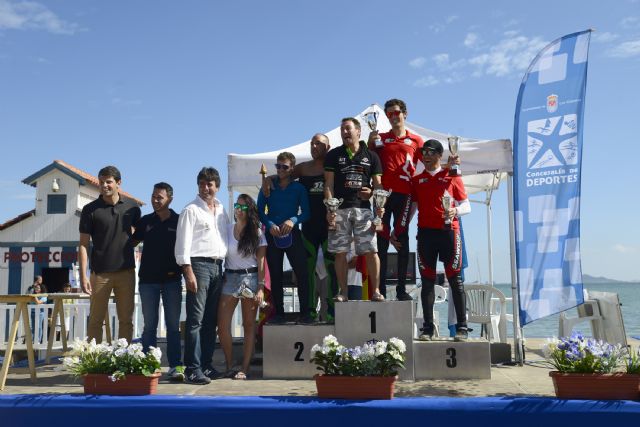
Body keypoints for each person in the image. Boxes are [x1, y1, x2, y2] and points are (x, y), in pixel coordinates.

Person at [262, 134, 338, 321]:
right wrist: (267, 179)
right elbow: (284, 174)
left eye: (318, 143)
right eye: (312, 143)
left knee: (332, 268)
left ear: (328, 147)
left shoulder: (334, 166)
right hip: (309, 228)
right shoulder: (303, 169)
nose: (314, 146)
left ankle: (331, 311)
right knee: (306, 272)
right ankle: (308, 311)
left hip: (330, 225)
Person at [409, 139, 471, 341]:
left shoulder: (452, 176)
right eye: (423, 152)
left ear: (438, 155)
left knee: (455, 280)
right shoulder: (417, 180)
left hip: (448, 233)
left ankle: (462, 327)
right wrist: (399, 230)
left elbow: (467, 205)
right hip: (425, 235)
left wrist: (455, 211)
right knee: (426, 283)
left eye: (429, 152)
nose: (425, 156)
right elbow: (412, 209)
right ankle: (427, 329)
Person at [175, 167, 229, 385]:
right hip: (198, 266)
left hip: (218, 267)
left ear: (217, 186)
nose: (206, 188)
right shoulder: (191, 210)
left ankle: (206, 364)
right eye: (202, 184)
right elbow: (182, 245)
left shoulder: (222, 209)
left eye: (210, 184)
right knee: (195, 320)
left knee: (210, 321)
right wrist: (187, 272)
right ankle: (192, 368)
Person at [367, 99, 424, 301]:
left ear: (405, 114)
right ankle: (379, 289)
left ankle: (401, 290)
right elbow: (369, 161)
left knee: (402, 239)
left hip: (405, 195)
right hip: (382, 196)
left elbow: (427, 166)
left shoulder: (417, 141)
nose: (393, 117)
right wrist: (369, 141)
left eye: (396, 112)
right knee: (380, 242)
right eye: (389, 114)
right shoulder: (380, 138)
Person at [324, 117, 385, 302]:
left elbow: (379, 186)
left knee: (371, 250)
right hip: (340, 210)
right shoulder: (333, 155)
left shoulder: (372, 156)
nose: (344, 132)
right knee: (340, 252)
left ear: (358, 131)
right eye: (342, 129)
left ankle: (376, 291)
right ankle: (343, 292)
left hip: (364, 210)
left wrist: (374, 196)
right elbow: (328, 184)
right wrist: (330, 209)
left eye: (348, 129)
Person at [78, 165, 141, 343]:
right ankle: (94, 363)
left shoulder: (132, 207)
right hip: (100, 274)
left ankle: (124, 361)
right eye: (101, 182)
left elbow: (138, 234)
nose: (104, 185)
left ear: (118, 183)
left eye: (108, 182)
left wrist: (127, 245)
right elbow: (83, 245)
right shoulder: (90, 209)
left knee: (126, 321)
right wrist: (83, 276)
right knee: (95, 321)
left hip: (126, 272)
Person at [132, 182, 184, 382]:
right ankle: (149, 365)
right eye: (153, 196)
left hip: (172, 281)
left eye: (159, 197)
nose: (155, 200)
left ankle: (175, 365)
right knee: (149, 326)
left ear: (170, 199)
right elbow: (130, 242)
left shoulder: (179, 221)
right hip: (147, 282)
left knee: (173, 327)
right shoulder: (146, 221)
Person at [258, 151, 311, 324]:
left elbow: (306, 212)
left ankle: (305, 313)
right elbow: (260, 211)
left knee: (302, 273)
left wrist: (293, 220)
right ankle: (278, 314)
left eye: (284, 167)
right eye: (278, 166)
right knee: (275, 275)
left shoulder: (299, 188)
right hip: (272, 235)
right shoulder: (268, 186)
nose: (280, 169)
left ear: (292, 168)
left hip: (293, 234)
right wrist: (270, 224)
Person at [218, 194, 266, 380]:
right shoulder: (227, 229)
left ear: (250, 210)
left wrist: (261, 287)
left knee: (248, 326)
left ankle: (244, 368)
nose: (238, 209)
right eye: (237, 205)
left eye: (243, 207)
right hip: (229, 277)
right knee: (222, 325)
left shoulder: (257, 233)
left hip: (251, 278)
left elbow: (261, 262)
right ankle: (230, 364)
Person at [27, 277, 47, 343]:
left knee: (39, 326)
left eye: (38, 288)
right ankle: (33, 340)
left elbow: (38, 302)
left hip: (40, 312)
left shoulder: (44, 295)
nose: (36, 289)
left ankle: (38, 340)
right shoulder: (32, 290)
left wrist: (34, 296)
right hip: (33, 312)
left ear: (41, 289)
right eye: (36, 288)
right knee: (33, 326)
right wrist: (32, 287)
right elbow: (27, 295)